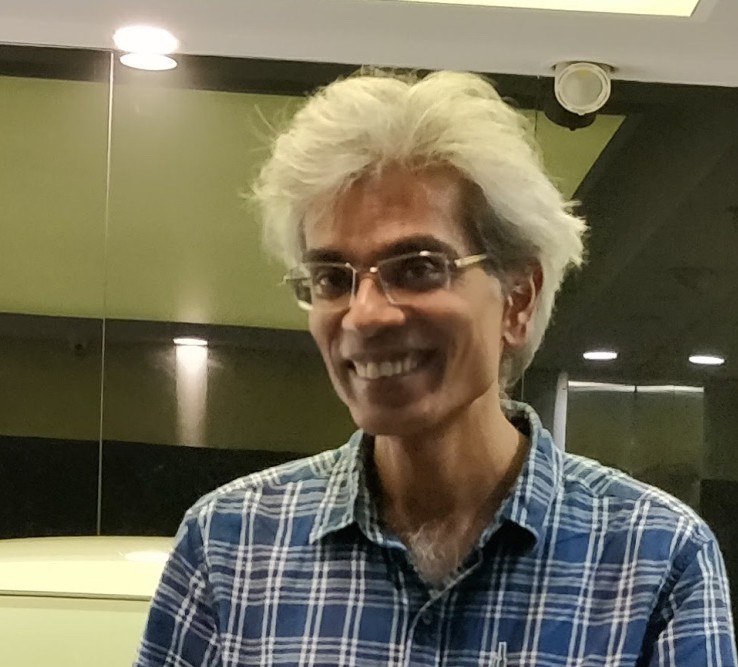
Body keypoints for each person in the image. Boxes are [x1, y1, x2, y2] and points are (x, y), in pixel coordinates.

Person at [134, 70, 736, 666]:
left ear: (518, 299)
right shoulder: (230, 547)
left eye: (418, 268)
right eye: (331, 278)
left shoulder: (655, 560)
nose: (365, 315)